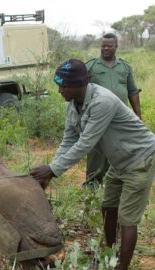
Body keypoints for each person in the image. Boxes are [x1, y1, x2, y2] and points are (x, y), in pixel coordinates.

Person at [30, 58, 155, 270]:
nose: (59, 90)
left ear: (78, 85)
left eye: (62, 85)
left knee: (127, 218)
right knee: (108, 207)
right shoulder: (72, 105)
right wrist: (50, 170)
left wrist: (52, 170)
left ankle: (121, 267)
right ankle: (111, 253)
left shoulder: (102, 102)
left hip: (139, 158)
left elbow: (85, 143)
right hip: (118, 161)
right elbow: (69, 139)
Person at [84, 33, 142, 188]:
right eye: (103, 45)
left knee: (119, 152)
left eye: (109, 45)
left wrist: (138, 117)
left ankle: (113, 187)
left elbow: (133, 92)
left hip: (120, 120)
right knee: (96, 153)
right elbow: (81, 92)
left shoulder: (124, 67)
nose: (106, 48)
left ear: (116, 46)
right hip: (97, 119)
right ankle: (92, 188)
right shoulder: (90, 66)